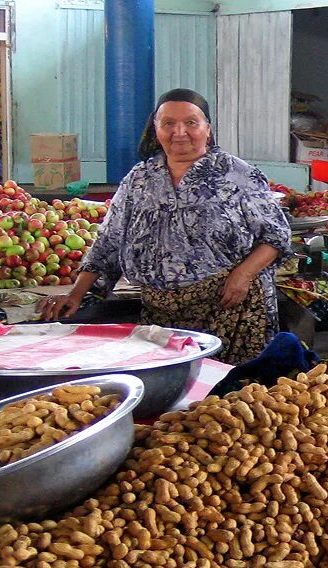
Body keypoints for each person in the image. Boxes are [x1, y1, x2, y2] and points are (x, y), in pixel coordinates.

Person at [38, 89, 291, 364]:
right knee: (174, 398)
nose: (179, 132)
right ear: (155, 129)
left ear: (208, 129)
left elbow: (276, 236)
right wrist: (76, 294)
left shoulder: (237, 174)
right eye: (168, 123)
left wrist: (243, 274)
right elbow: (109, 241)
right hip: (161, 315)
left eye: (191, 123)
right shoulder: (139, 179)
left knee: (227, 397)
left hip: (230, 309)